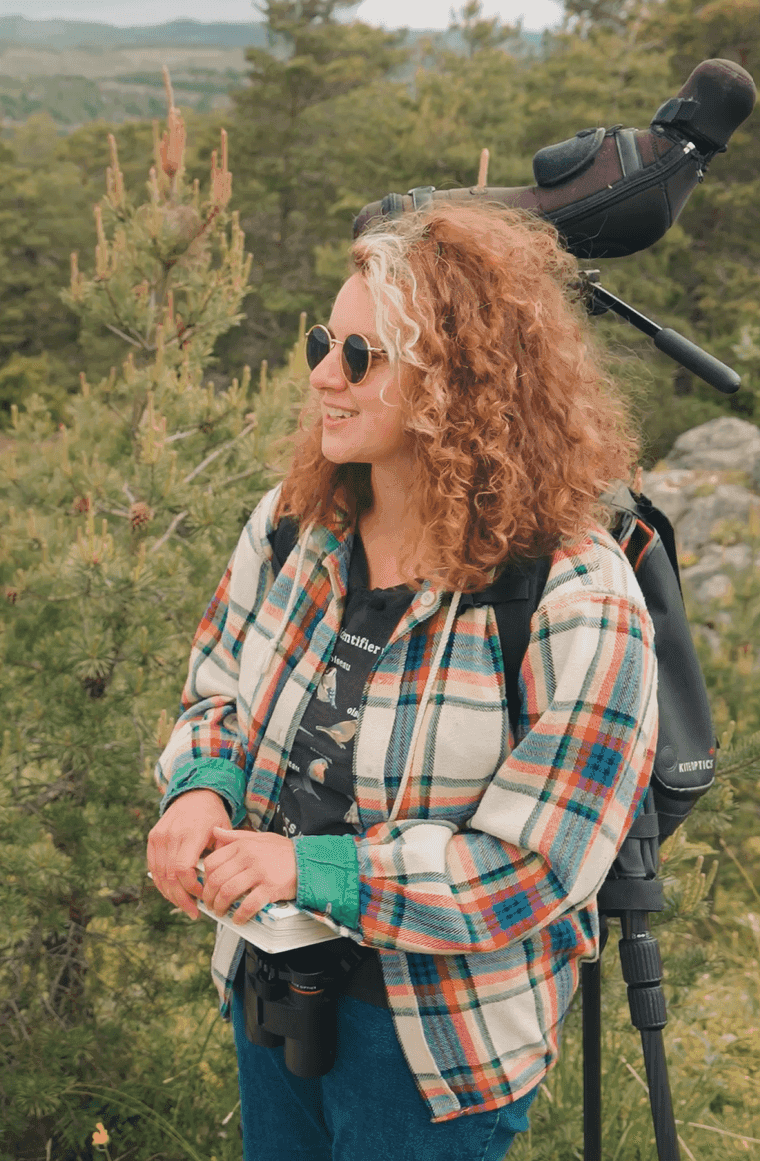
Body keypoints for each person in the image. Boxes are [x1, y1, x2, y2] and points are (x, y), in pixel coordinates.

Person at [145, 203, 659, 1159]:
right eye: (321, 343)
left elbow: (536, 867)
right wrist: (199, 788)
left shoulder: (573, 594)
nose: (321, 375)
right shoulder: (296, 523)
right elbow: (216, 685)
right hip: (273, 987)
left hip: (434, 1047)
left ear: (457, 385)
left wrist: (314, 869)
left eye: (359, 355)